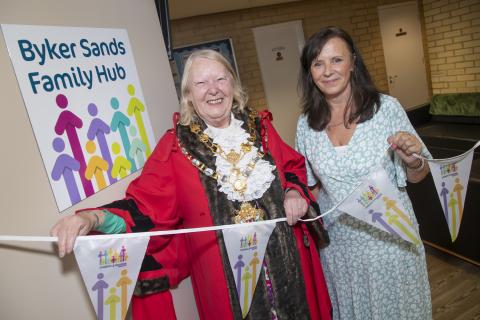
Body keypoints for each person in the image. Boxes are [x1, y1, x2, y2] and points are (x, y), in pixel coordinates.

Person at [51, 49, 332, 320]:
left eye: (221, 79)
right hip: (225, 280)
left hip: (291, 265)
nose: (213, 89)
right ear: (188, 95)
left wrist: (294, 191)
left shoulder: (262, 128)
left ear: (233, 85)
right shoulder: (176, 146)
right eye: (201, 82)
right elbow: (145, 207)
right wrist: (92, 217)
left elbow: (292, 166)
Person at [295, 27, 432, 320]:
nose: (328, 71)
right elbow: (310, 187)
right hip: (341, 251)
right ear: (310, 72)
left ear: (353, 62)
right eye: (318, 63)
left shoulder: (386, 109)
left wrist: (413, 160)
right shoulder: (306, 125)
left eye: (336, 60)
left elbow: (419, 175)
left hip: (391, 240)